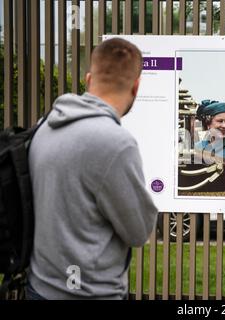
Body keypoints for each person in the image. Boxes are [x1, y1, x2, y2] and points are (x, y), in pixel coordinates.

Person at [26, 38, 159, 299]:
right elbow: (139, 231)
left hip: (39, 289)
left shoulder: (44, 126)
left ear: (88, 79)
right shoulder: (116, 143)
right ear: (136, 86)